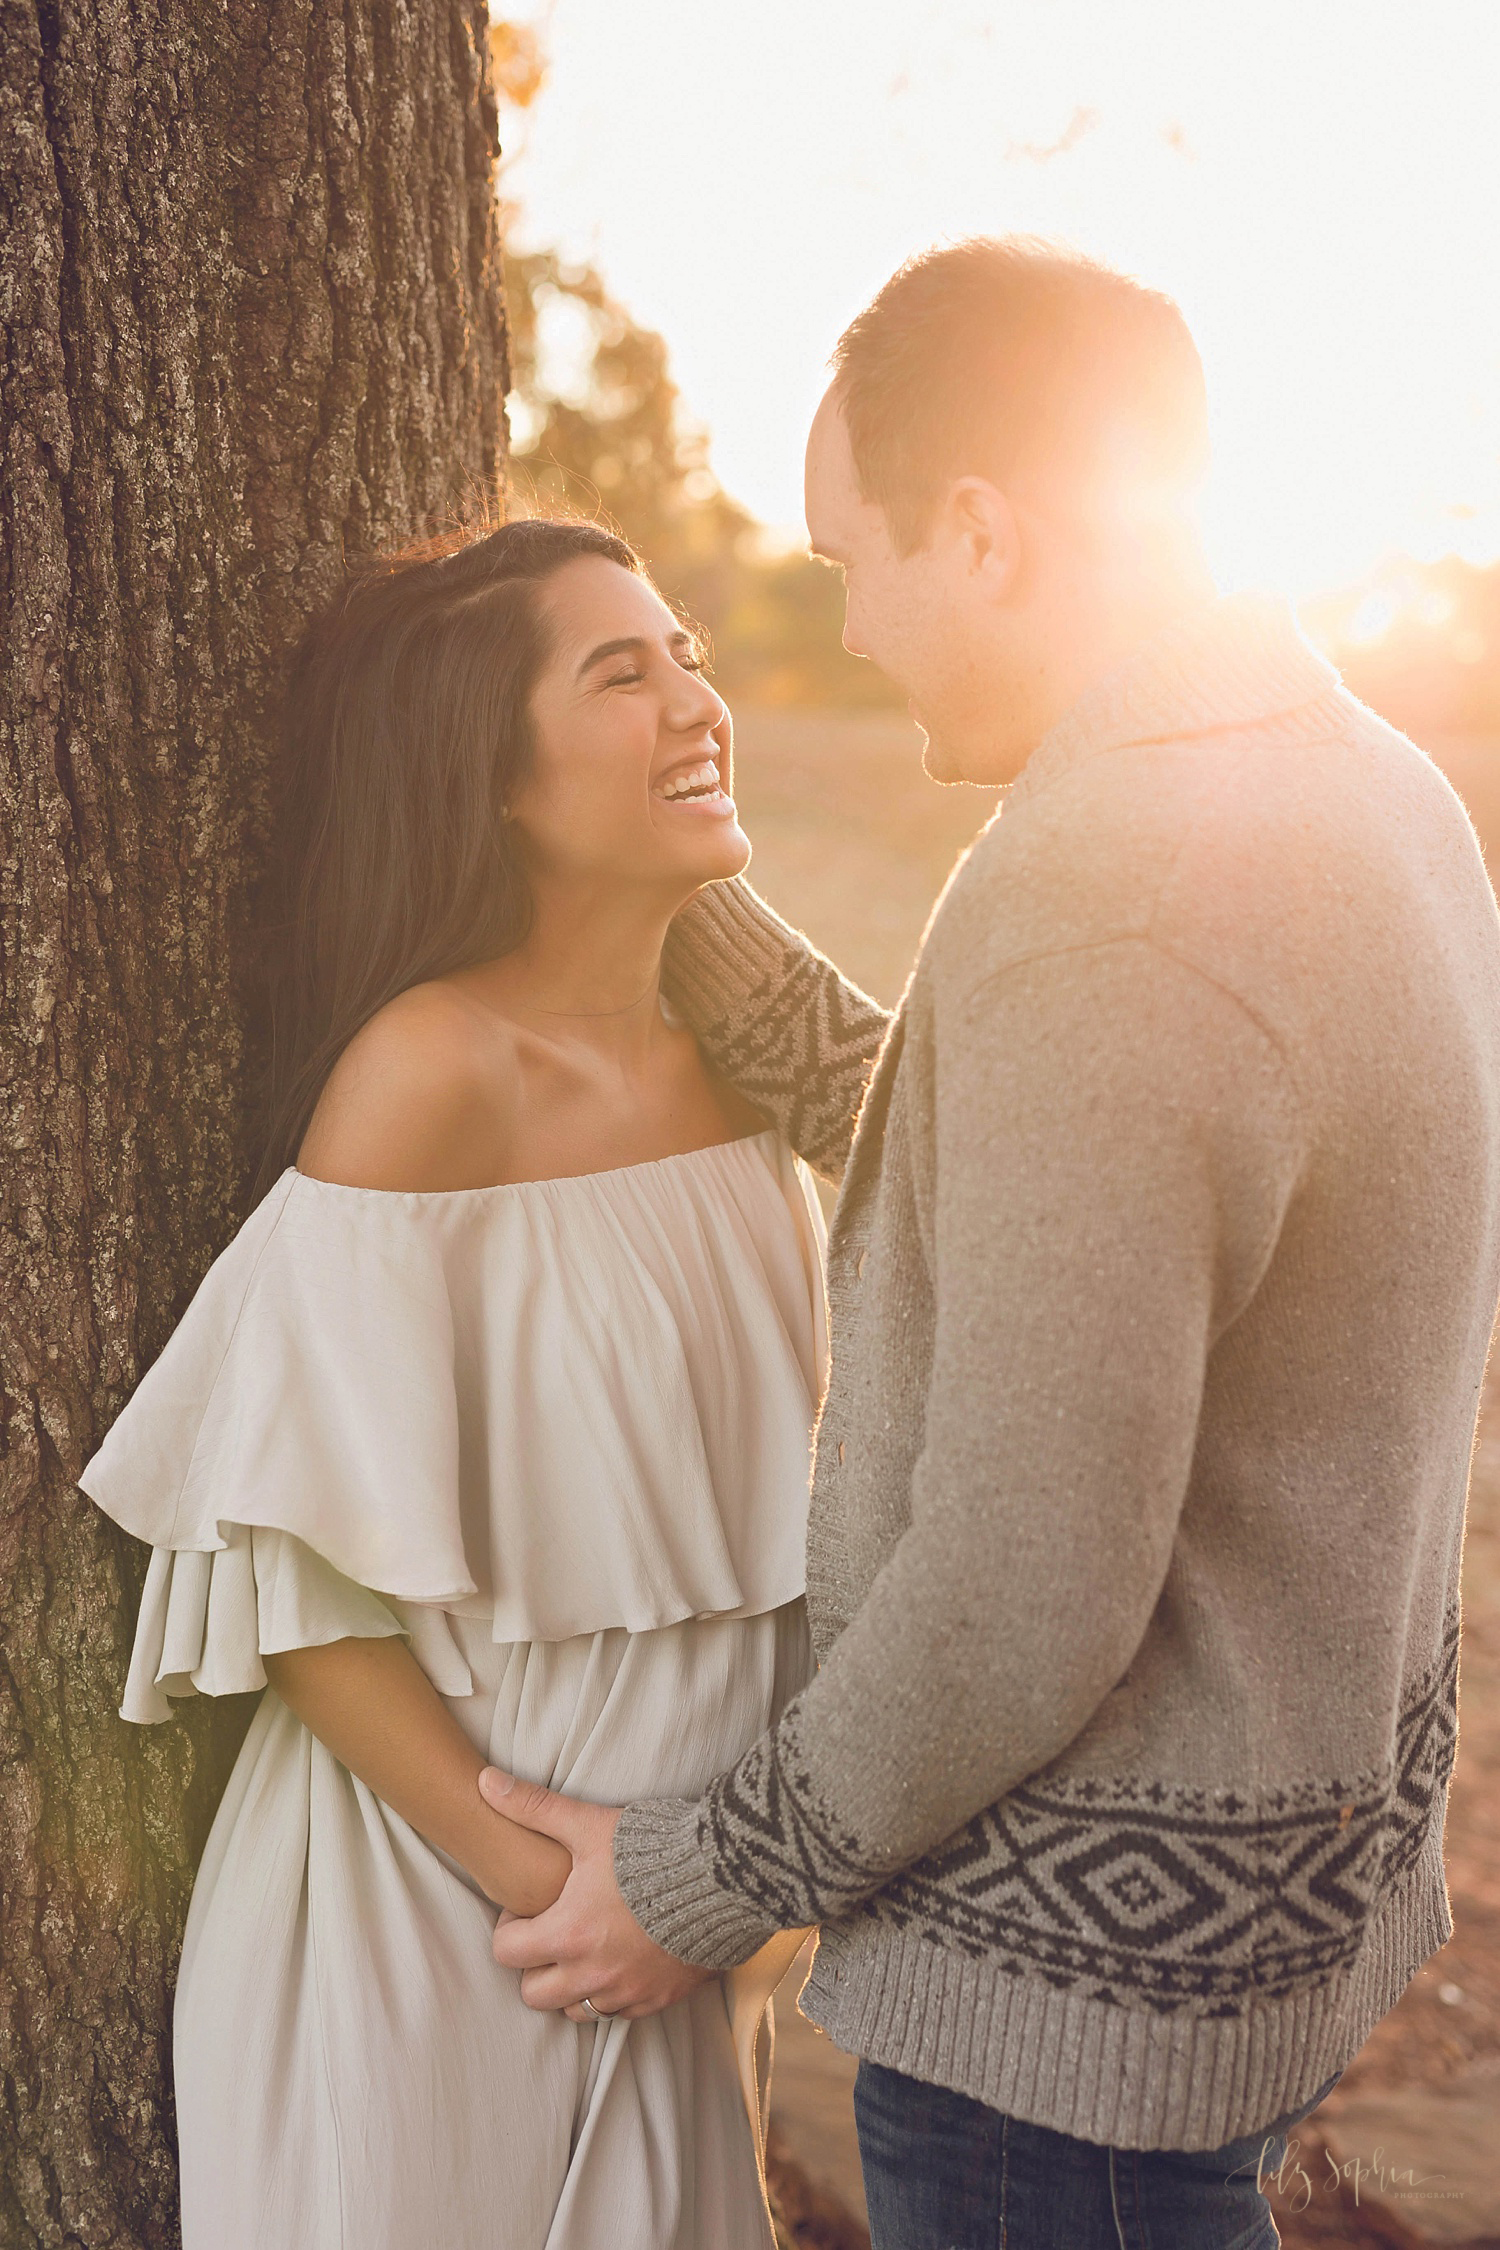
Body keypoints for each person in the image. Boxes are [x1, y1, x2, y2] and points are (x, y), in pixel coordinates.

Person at [483, 240, 1500, 2249]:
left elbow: (1029, 1571)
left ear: (983, 530)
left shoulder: (1113, 896)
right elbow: (1069, 1204)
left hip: (1067, 2037)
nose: (848, 626)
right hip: (1273, 1917)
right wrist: (675, 901)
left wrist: (698, 1879)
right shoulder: (1368, 791)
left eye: (853, 559)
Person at [79, 518, 828, 2250]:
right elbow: (291, 1580)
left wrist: (703, 1901)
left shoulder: (747, 1078)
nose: (692, 699)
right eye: (620, 672)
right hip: (447, 1927)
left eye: (690, 654)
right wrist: (563, 1902)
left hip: (681, 1936)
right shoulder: (429, 1074)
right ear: (490, 775)